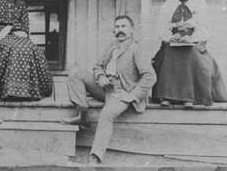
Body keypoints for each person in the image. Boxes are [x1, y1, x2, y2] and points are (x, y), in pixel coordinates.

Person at [60, 15, 156, 165]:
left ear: (132, 30)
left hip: (121, 93)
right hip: (105, 88)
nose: (120, 30)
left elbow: (150, 76)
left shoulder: (136, 49)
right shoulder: (112, 45)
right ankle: (83, 114)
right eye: (117, 27)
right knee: (75, 72)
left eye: (124, 27)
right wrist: (100, 77)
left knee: (106, 113)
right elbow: (98, 65)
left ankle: (95, 157)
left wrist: (132, 96)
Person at [152, 0, 227, 107]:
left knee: (190, 53)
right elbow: (160, 27)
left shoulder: (199, 4)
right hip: (172, 43)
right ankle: (167, 96)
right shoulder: (169, 4)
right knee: (169, 52)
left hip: (193, 44)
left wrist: (191, 38)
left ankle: (189, 97)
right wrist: (171, 36)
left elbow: (206, 28)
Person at [0, 0, 53, 101]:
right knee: (16, 48)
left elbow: (25, 26)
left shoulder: (20, 3)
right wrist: (9, 30)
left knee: (31, 47)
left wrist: (10, 28)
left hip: (17, 36)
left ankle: (30, 91)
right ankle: (11, 91)